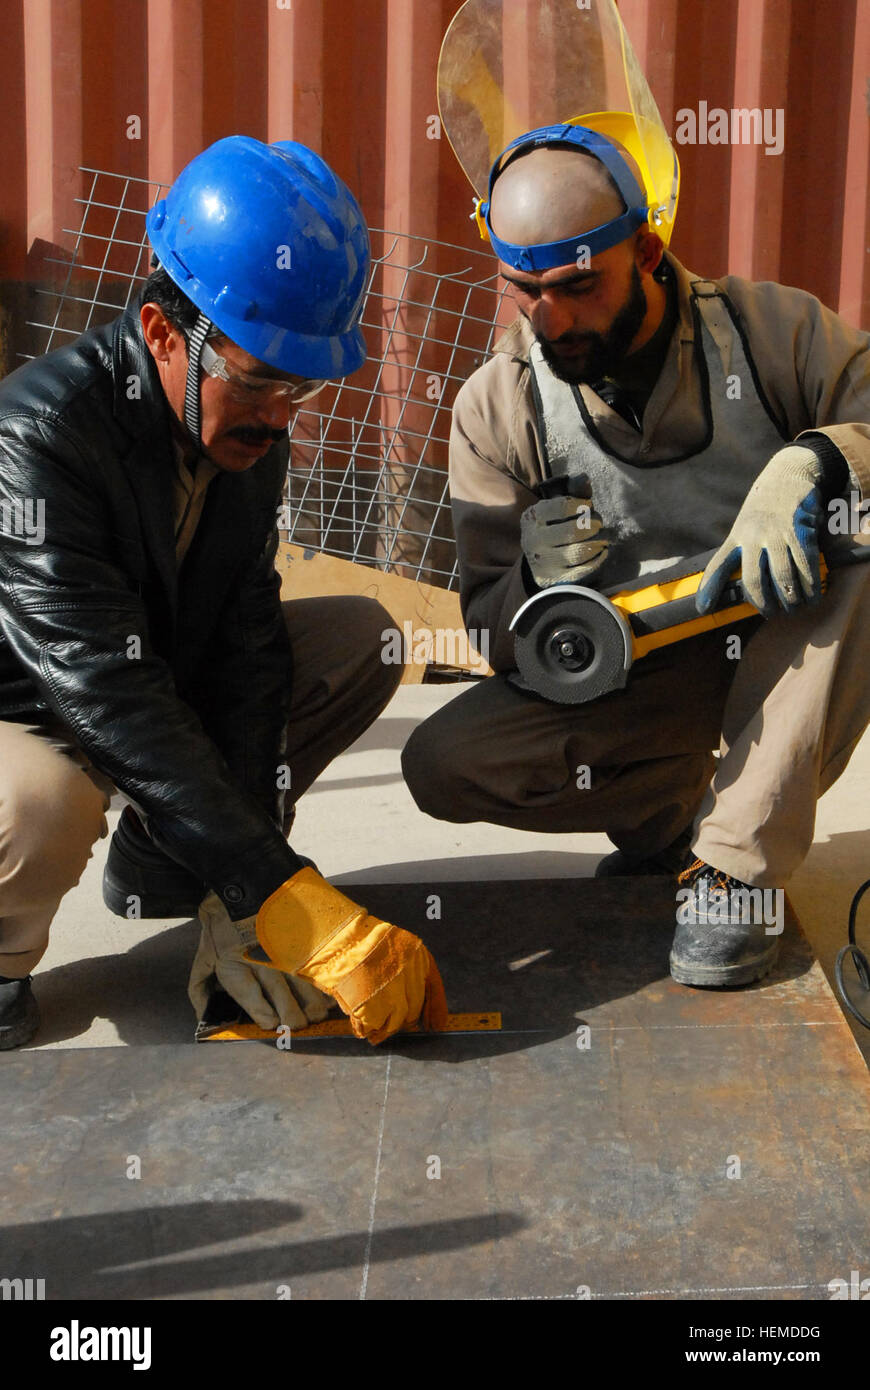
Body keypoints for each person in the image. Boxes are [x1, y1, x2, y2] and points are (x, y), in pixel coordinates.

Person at [0, 134, 446, 1049]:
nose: (283, 417)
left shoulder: (245, 433)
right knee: (39, 803)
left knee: (355, 639)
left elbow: (246, 651)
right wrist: (272, 885)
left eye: (305, 387)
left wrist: (241, 897)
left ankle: (168, 863)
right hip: (31, 710)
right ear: (165, 331)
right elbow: (104, 689)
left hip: (131, 682)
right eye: (262, 380)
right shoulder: (35, 439)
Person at [401, 122, 870, 989]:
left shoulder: (770, 334)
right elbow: (490, 627)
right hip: (643, 672)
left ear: (647, 249)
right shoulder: (500, 406)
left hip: (788, 652)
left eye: (578, 286)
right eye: (522, 290)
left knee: (867, 534)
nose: (551, 319)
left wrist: (818, 458)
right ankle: (670, 828)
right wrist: (530, 581)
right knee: (446, 765)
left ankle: (736, 868)